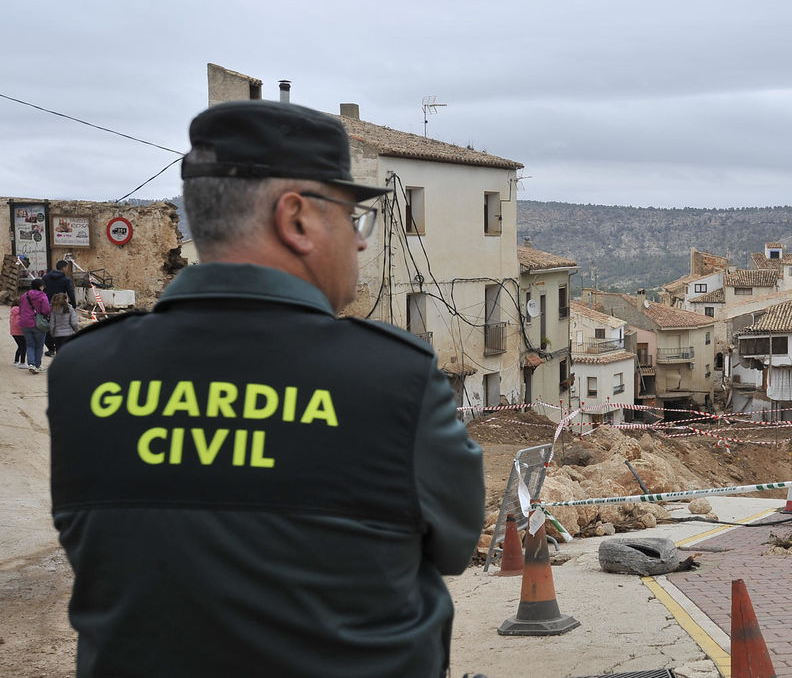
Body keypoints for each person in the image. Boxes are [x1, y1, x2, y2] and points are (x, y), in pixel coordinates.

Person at [47, 100, 485, 677]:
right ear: (296, 219)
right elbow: (454, 548)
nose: (359, 242)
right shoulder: (394, 379)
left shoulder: (83, 372)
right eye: (351, 219)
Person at [42, 260, 76, 355]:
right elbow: (71, 293)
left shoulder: (45, 277)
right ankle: (61, 349)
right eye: (67, 267)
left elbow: (41, 291)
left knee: (48, 327)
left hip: (47, 305)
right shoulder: (66, 279)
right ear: (64, 268)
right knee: (62, 326)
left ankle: (51, 348)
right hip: (61, 305)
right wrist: (74, 306)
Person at [18, 278, 49, 373]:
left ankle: (31, 364)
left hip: (25, 323)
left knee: (30, 344)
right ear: (40, 286)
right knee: (39, 345)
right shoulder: (42, 296)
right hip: (38, 324)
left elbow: (20, 309)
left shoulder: (24, 296)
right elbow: (46, 310)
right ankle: (37, 365)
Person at [10, 303, 25, 368]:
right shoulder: (20, 312)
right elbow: (18, 323)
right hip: (20, 333)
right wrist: (23, 328)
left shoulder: (12, 313)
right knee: (24, 346)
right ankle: (22, 362)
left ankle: (16, 361)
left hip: (13, 333)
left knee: (20, 346)